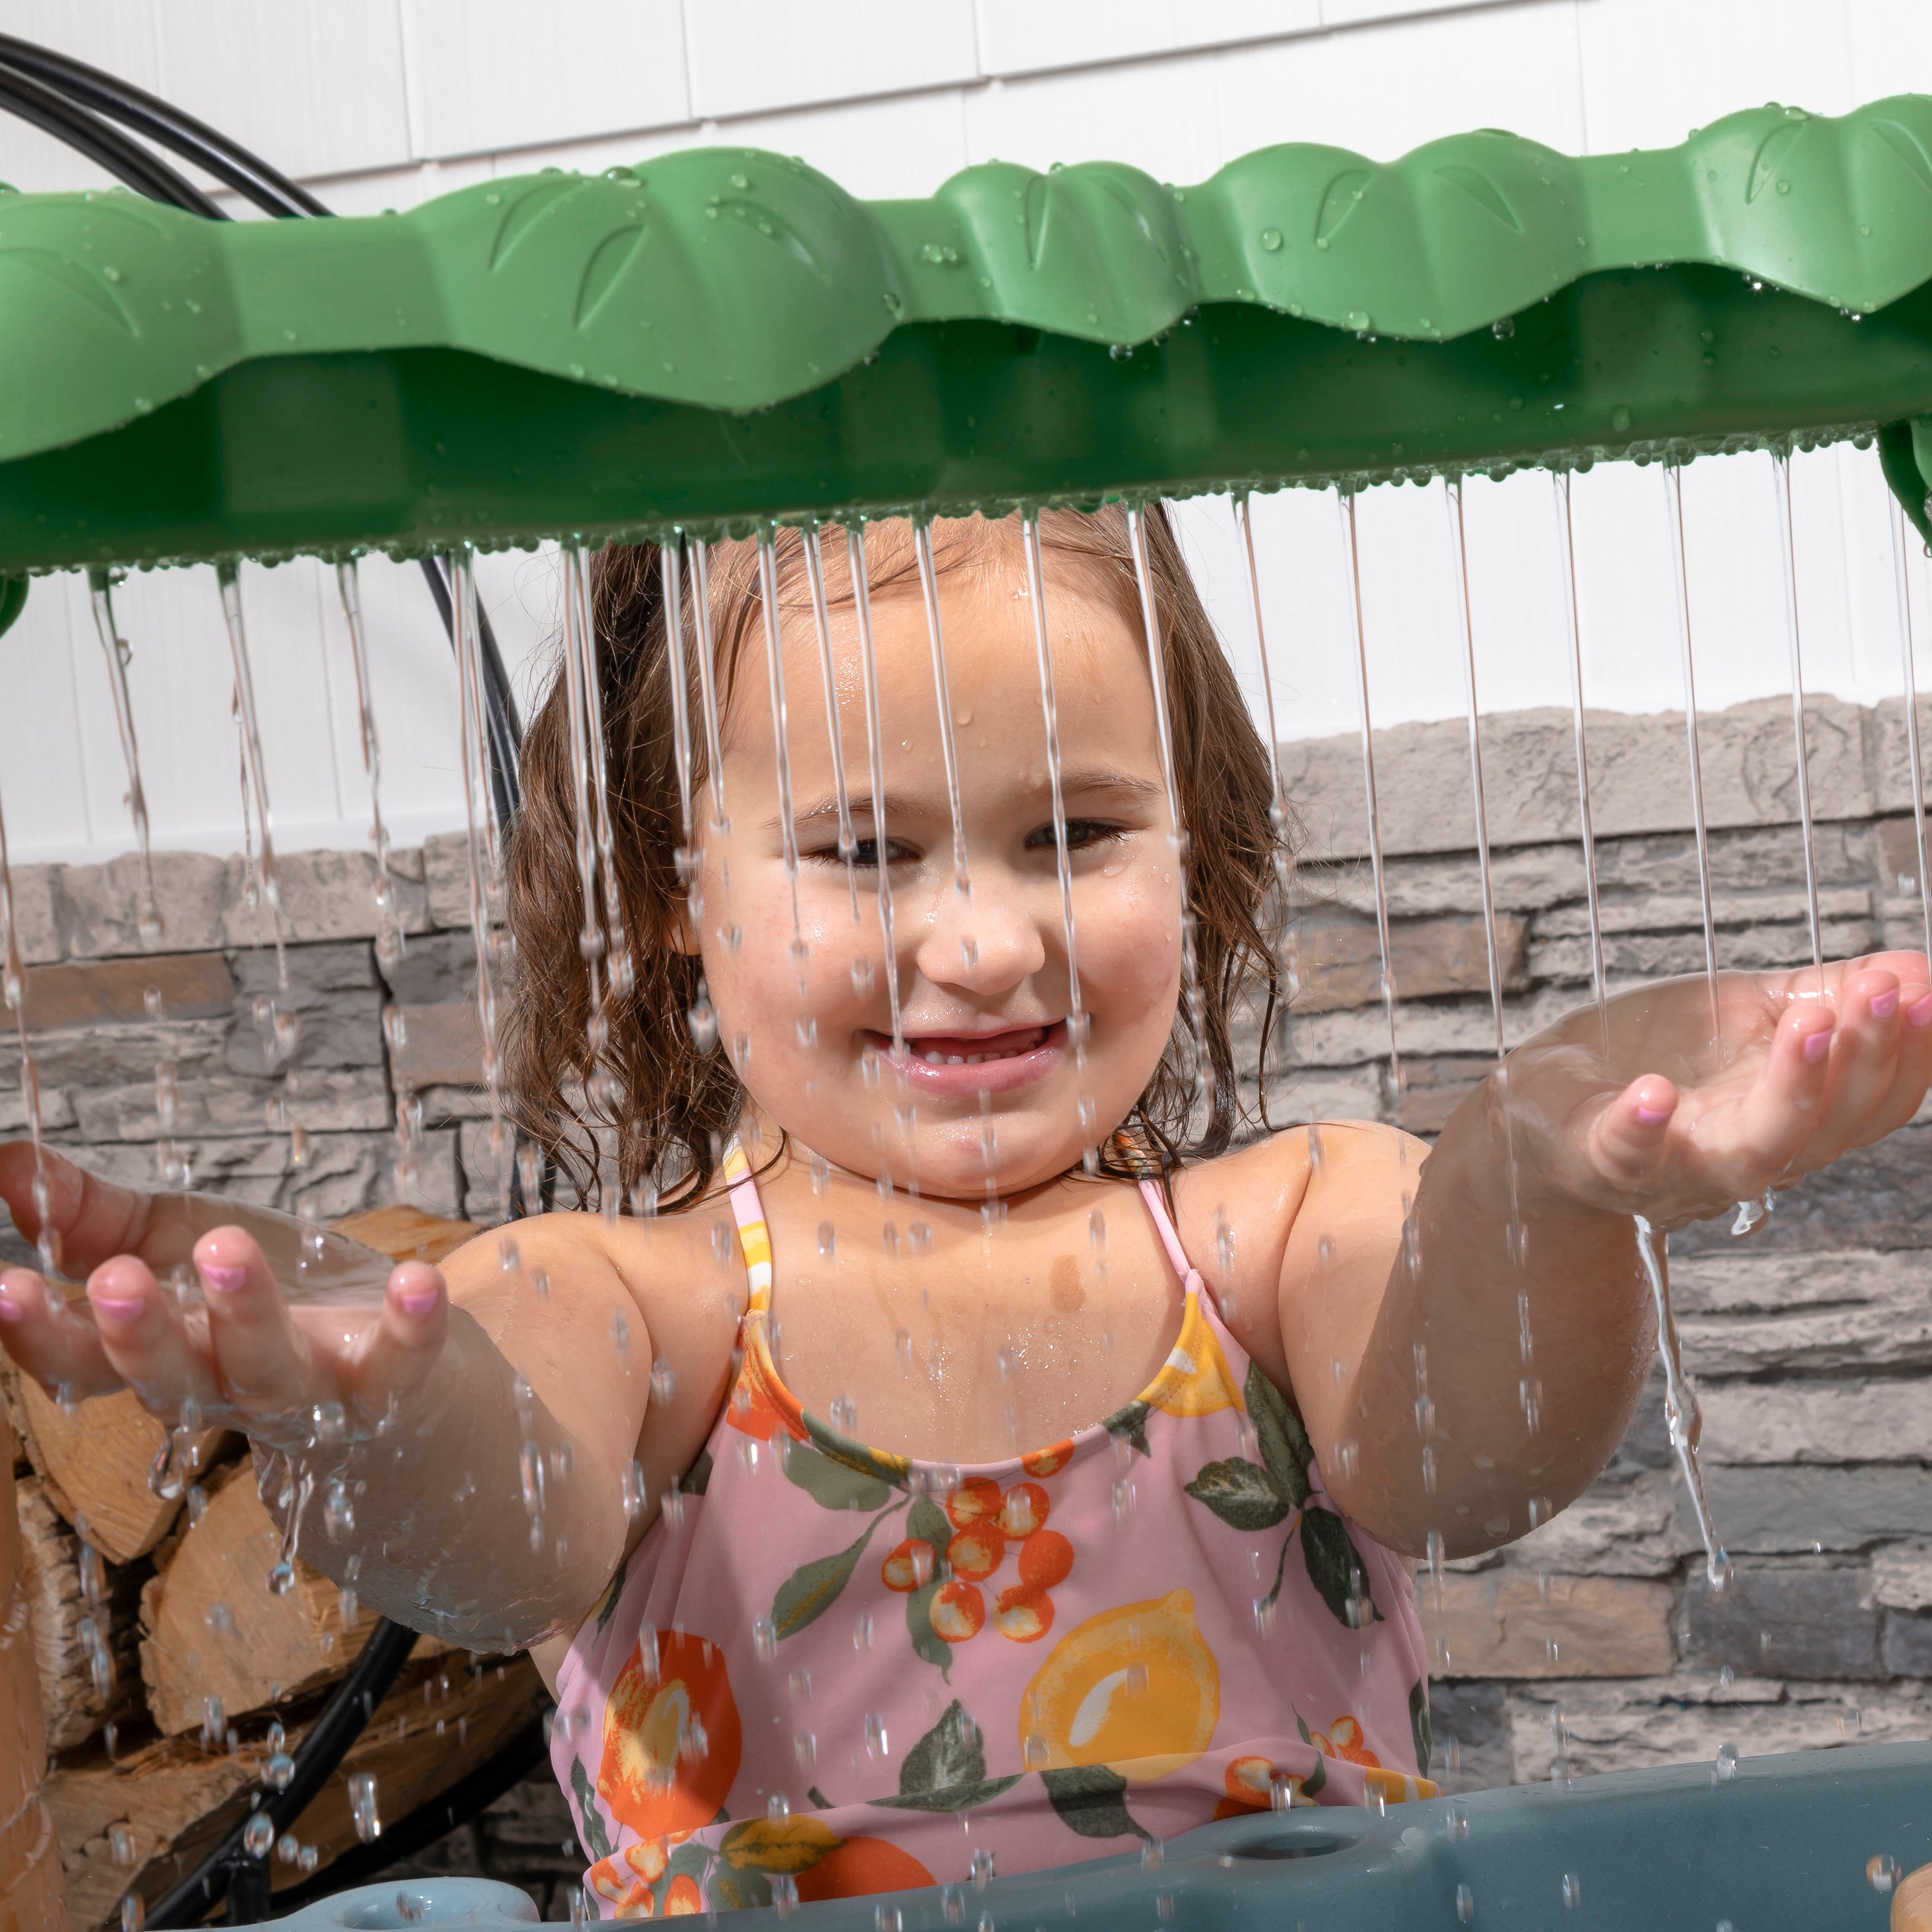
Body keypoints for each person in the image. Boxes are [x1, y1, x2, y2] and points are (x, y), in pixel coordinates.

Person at [1, 508, 1926, 1915]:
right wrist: (371, 1402)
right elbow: (500, 1533)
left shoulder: (1280, 1236)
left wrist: (1538, 1177)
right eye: (864, 851)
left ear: (1198, 835)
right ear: (672, 878)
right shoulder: (636, 1302)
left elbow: (1466, 1464)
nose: (985, 939)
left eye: (1072, 834)